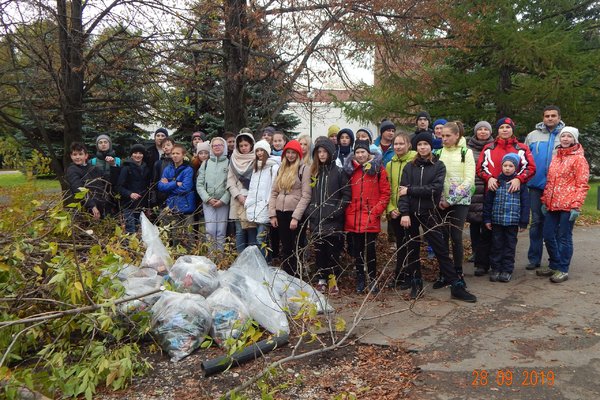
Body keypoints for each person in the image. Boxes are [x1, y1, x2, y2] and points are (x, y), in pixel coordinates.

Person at [398, 132, 477, 302]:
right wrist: (404, 213)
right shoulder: (409, 167)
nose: (423, 147)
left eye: (426, 144)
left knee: (441, 250)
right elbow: (401, 192)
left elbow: (435, 188)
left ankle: (456, 285)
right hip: (411, 214)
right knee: (412, 250)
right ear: (416, 147)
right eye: (420, 145)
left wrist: (411, 190)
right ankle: (416, 283)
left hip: (430, 213)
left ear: (431, 147)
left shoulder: (438, 165)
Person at [537, 126, 590, 283]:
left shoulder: (579, 159)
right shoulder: (556, 157)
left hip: (568, 205)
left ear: (574, 139)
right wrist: (545, 200)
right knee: (547, 234)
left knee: (564, 237)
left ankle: (563, 269)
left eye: (569, 136)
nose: (565, 139)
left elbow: (582, 184)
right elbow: (550, 181)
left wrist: (576, 205)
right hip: (552, 204)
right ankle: (554, 264)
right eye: (563, 136)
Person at [344, 140, 390, 294]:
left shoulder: (378, 170)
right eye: (357, 152)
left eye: (363, 152)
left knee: (370, 250)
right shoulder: (351, 170)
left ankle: (372, 278)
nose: (360, 155)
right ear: (354, 154)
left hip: (370, 217)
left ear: (368, 153)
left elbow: (385, 194)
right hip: (354, 217)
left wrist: (375, 212)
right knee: (357, 251)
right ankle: (360, 279)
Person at [306, 139, 351, 295]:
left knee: (333, 252)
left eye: (324, 152)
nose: (322, 155)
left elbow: (346, 195)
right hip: (317, 219)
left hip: (333, 221)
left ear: (331, 152)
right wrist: (311, 212)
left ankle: (333, 279)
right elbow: (309, 195)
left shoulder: (339, 172)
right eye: (319, 152)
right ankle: (321, 279)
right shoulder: (314, 173)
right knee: (320, 251)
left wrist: (336, 212)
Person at [434, 121, 475, 288]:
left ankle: (458, 272)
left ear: (457, 135)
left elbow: (469, 180)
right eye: (442, 136)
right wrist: (439, 200)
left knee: (456, 237)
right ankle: (444, 272)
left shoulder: (466, 152)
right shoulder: (437, 153)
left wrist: (450, 200)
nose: (444, 139)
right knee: (441, 238)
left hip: (460, 201)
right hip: (440, 202)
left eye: (448, 136)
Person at [525, 106, 565, 270]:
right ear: (543, 118)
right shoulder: (533, 136)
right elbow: (525, 159)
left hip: (557, 187)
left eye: (553, 116)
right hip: (536, 185)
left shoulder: (566, 135)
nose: (550, 118)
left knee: (554, 224)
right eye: (547, 116)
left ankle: (555, 260)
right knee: (536, 222)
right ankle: (534, 259)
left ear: (559, 117)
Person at [483, 153, 530, 282]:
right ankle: (496, 269)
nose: (507, 168)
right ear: (501, 166)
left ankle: (507, 270)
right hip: (497, 221)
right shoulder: (496, 183)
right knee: (496, 245)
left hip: (512, 222)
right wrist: (487, 219)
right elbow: (488, 202)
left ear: (515, 168)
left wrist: (523, 221)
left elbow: (525, 204)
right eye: (505, 165)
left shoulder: (521, 185)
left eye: (511, 166)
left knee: (509, 246)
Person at [268, 140, 312, 277]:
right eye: (288, 152)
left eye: (294, 153)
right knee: (285, 247)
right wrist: (272, 214)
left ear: (298, 154)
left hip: (295, 213)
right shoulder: (281, 169)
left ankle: (297, 275)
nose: (291, 155)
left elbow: (306, 195)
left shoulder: (304, 169)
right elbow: (274, 192)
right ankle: (288, 275)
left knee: (296, 246)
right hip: (281, 212)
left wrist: (296, 217)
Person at [477, 117, 536, 205]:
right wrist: (489, 178)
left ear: (512, 130)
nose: (504, 130)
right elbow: (480, 168)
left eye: (508, 127)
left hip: (515, 194)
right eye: (501, 127)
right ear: (498, 130)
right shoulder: (489, 148)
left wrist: (519, 179)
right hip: (493, 193)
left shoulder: (522, 148)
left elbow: (530, 168)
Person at [386, 132, 417, 289]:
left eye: (401, 143)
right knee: (400, 244)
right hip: (395, 212)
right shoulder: (390, 164)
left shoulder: (414, 161)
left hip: (410, 210)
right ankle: (399, 274)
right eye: (395, 144)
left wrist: (404, 209)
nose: (398, 147)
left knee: (411, 243)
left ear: (408, 145)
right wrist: (391, 208)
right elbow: (388, 188)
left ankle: (411, 276)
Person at [466, 121, 495, 276]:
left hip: (489, 188)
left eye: (486, 129)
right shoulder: (468, 148)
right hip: (473, 189)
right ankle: (476, 252)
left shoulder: (494, 146)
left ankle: (486, 255)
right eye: (480, 129)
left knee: (487, 223)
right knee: (474, 223)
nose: (483, 132)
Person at [246, 140, 279, 258]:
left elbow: (274, 188)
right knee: (257, 241)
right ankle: (261, 264)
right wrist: (249, 203)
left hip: (266, 208)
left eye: (262, 150)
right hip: (254, 207)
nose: (259, 153)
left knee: (261, 240)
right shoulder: (256, 168)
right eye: (257, 151)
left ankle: (267, 264)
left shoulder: (273, 167)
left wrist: (269, 205)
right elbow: (252, 189)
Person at [158, 144, 196, 246]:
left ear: (183, 155)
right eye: (173, 153)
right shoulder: (168, 169)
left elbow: (185, 188)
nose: (175, 156)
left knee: (188, 235)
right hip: (172, 205)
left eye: (177, 153)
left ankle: (190, 257)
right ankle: (176, 256)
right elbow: (160, 186)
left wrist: (169, 185)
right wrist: (175, 183)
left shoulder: (188, 169)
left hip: (186, 206)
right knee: (175, 234)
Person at [197, 137, 230, 250]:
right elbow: (199, 184)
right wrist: (208, 199)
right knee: (210, 230)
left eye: (219, 145)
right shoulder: (206, 163)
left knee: (221, 231)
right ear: (211, 148)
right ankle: (211, 257)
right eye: (214, 145)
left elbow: (231, 184)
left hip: (223, 203)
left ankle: (220, 258)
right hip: (208, 203)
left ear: (224, 147)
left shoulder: (229, 163)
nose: (217, 147)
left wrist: (223, 200)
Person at [227, 131, 257, 253]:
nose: (244, 148)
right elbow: (230, 181)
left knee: (251, 230)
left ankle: (252, 260)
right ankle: (240, 260)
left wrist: (249, 197)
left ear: (251, 145)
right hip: (237, 201)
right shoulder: (233, 159)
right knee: (239, 231)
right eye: (241, 146)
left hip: (252, 200)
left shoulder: (256, 158)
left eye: (246, 145)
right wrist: (238, 195)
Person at [65, 142, 109, 220]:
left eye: (80, 154)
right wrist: (92, 205)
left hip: (101, 204)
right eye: (74, 154)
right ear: (71, 156)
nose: (77, 157)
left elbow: (107, 179)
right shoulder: (72, 170)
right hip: (86, 207)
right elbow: (77, 188)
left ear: (86, 156)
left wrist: (113, 165)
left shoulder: (93, 168)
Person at [117, 144, 151, 233]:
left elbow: (148, 188)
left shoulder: (146, 169)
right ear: (131, 154)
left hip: (141, 204)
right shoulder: (126, 168)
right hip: (129, 205)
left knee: (139, 229)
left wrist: (148, 205)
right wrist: (130, 194)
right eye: (135, 153)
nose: (138, 155)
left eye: (140, 153)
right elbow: (119, 187)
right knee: (130, 230)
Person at [90, 134, 121, 214]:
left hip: (114, 194)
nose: (103, 144)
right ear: (97, 145)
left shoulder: (118, 160)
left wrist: (113, 165)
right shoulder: (92, 161)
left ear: (109, 144)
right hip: (98, 194)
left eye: (105, 142)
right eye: (100, 142)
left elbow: (120, 178)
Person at [149, 137, 175, 211]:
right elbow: (154, 182)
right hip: (162, 199)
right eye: (163, 146)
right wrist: (153, 200)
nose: (165, 147)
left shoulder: (181, 162)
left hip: (178, 198)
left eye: (168, 145)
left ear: (174, 146)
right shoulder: (158, 163)